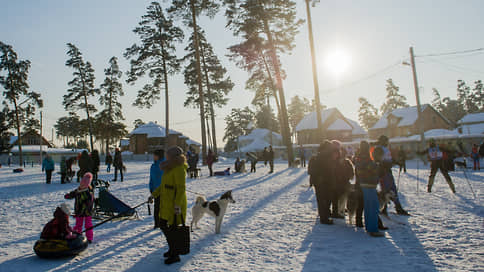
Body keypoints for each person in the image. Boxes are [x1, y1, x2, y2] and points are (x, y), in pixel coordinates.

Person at [149, 146, 188, 265]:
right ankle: (172, 249)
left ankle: (175, 254)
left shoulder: (179, 169)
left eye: (168, 154)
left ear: (173, 156)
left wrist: (177, 205)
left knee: (173, 229)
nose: (166, 156)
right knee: (164, 225)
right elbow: (163, 185)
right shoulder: (169, 167)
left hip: (174, 204)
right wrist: (154, 195)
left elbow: (181, 189)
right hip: (166, 203)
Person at [372, 135, 409, 216]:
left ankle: (397, 207)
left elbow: (389, 159)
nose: (387, 142)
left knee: (392, 189)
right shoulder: (379, 149)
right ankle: (384, 208)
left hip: (388, 171)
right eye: (386, 141)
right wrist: (382, 167)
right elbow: (377, 160)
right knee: (386, 190)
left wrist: (397, 162)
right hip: (383, 172)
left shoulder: (385, 148)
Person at [355, 141, 385, 237]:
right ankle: (373, 229)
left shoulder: (359, 157)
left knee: (368, 206)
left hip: (364, 184)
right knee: (373, 206)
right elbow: (371, 168)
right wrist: (377, 164)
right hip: (369, 184)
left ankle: (369, 227)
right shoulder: (365, 158)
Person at [64, 172, 95, 243]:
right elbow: (73, 194)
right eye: (81, 183)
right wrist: (68, 196)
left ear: (87, 185)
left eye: (83, 184)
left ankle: (89, 238)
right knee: (78, 225)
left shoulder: (88, 193)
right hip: (79, 211)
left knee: (88, 225)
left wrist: (83, 209)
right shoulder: (78, 190)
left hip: (87, 212)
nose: (81, 185)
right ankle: (77, 235)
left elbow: (88, 203)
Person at [311, 140, 336, 225]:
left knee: (322, 199)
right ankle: (324, 217)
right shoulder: (324, 156)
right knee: (325, 199)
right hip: (324, 181)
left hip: (320, 181)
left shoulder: (319, 156)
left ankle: (324, 215)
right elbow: (328, 169)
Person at [332, 140, 354, 219]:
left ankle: (340, 210)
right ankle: (338, 210)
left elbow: (351, 172)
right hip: (340, 182)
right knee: (341, 197)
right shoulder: (339, 161)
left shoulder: (344, 162)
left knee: (342, 197)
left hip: (342, 182)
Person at [149, 149, 165, 229]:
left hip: (164, 190)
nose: (153, 157)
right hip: (155, 190)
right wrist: (151, 188)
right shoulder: (153, 166)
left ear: (159, 156)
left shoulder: (165, 165)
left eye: (154, 155)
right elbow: (151, 178)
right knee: (157, 208)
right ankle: (157, 223)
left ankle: (163, 223)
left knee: (164, 208)